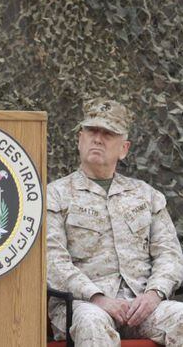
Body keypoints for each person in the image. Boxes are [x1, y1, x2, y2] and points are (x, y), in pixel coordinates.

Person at [47, 98, 183, 346]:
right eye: (91, 131)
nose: (98, 138)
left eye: (108, 134)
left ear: (124, 148)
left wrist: (154, 294)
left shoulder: (147, 196)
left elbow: (169, 255)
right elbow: (51, 260)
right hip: (83, 306)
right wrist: (97, 297)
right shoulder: (54, 195)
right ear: (80, 139)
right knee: (92, 325)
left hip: (142, 306)